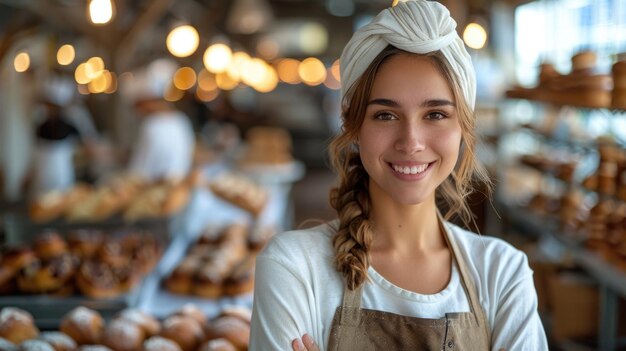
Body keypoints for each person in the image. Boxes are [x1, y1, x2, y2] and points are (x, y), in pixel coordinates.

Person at [249, 1, 548, 350]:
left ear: (463, 129)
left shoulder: (503, 275)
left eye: (435, 114)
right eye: (385, 116)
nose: (411, 142)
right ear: (353, 126)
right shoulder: (293, 268)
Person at [127, 59, 195, 182]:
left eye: (138, 105)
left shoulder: (152, 125)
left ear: (147, 101)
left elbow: (140, 172)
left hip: (155, 192)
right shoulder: (181, 120)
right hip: (177, 188)